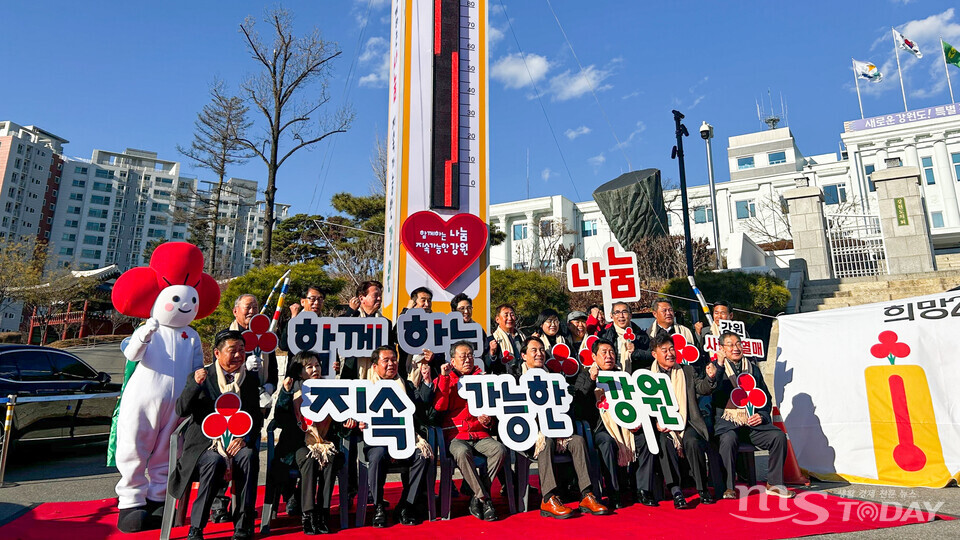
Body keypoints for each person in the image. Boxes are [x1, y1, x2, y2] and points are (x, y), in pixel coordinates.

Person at [170, 330, 263, 540]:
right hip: (206, 445)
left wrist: (245, 438)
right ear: (217, 353)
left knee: (248, 456)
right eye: (233, 350)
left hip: (236, 443)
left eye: (242, 350)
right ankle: (196, 528)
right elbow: (181, 410)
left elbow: (256, 418)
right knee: (213, 462)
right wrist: (195, 385)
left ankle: (243, 524)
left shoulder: (249, 380)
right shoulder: (202, 376)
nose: (239, 355)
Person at [508, 337, 610, 519]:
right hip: (532, 435)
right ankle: (548, 498)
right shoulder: (516, 379)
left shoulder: (555, 377)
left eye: (541, 350)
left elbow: (568, 409)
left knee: (578, 441)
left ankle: (587, 494)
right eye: (534, 350)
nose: (539, 354)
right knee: (545, 441)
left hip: (559, 432)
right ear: (523, 355)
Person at [355, 346, 434, 527]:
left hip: (404, 439)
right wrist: (358, 422)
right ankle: (378, 506)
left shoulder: (406, 384)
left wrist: (427, 382)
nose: (391, 364)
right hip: (377, 442)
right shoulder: (365, 388)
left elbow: (423, 406)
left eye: (394, 360)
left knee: (422, 455)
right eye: (386, 361)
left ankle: (407, 505)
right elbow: (354, 414)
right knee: (377, 456)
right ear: (375, 366)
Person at [712, 331, 794, 500]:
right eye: (730, 345)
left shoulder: (752, 369)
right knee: (728, 439)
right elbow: (712, 389)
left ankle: (774, 484)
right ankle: (729, 487)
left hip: (752, 424)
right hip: (729, 425)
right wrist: (718, 367)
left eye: (738, 344)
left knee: (778, 436)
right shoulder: (715, 368)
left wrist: (762, 416)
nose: (735, 348)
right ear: (722, 349)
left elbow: (765, 397)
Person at [271, 351, 344, 535]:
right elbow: (280, 419)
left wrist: (348, 421)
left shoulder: (329, 388)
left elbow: (339, 423)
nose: (315, 369)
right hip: (297, 446)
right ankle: (308, 514)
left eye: (317, 365)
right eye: (309, 366)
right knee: (309, 458)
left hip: (325, 443)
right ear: (299, 371)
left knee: (330, 459)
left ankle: (323, 513)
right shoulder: (292, 389)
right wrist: (286, 393)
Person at [647, 332, 723, 506]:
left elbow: (702, 388)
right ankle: (676, 491)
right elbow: (644, 407)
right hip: (662, 426)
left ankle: (702, 489)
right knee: (665, 443)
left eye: (672, 349)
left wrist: (710, 377)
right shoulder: (647, 376)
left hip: (686, 421)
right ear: (654, 354)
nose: (670, 354)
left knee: (692, 442)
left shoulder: (686, 371)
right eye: (664, 350)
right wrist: (656, 423)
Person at [433, 341, 504, 521]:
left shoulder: (483, 377)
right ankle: (484, 498)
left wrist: (488, 420)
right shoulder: (445, 378)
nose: (467, 360)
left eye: (470, 355)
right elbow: (439, 406)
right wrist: (444, 378)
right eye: (462, 356)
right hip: (456, 435)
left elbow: (493, 410)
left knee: (500, 450)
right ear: (453, 361)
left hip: (480, 433)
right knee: (462, 452)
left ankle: (476, 496)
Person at [569, 339, 634, 509]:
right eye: (603, 353)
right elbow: (579, 405)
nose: (608, 356)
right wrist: (592, 380)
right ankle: (614, 493)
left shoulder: (622, 376)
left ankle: (641, 490)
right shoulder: (585, 375)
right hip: (599, 428)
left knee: (642, 439)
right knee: (607, 442)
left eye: (611, 352)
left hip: (625, 424)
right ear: (594, 357)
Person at [451, 293, 499, 372]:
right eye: (462, 308)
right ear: (454, 311)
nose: (466, 311)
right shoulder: (448, 329)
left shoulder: (478, 329)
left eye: (469, 308)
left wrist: (491, 352)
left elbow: (485, 354)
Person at [598, 301, 653, 372]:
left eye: (624, 312)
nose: (621, 316)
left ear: (630, 315)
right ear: (611, 315)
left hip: (634, 376)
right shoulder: (604, 335)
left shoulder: (641, 335)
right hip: (613, 375)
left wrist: (636, 352)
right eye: (617, 312)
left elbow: (652, 356)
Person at [491, 303, 526, 368]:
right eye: (506, 315)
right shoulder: (492, 340)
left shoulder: (522, 337)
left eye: (512, 315)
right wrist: (492, 353)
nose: (510, 318)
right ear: (497, 319)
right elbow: (488, 365)